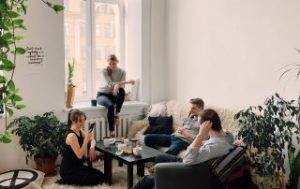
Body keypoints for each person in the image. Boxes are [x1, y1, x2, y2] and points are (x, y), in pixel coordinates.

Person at [133, 109, 234, 189]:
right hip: (196, 161)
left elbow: (187, 159)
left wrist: (200, 135)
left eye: (200, 126)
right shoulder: (226, 137)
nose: (199, 128)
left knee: (147, 179)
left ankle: (157, 178)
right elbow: (214, 142)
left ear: (207, 126)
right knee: (160, 157)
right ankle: (156, 175)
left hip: (190, 170)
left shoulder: (214, 146)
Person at [58, 109, 104, 186]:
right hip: (68, 171)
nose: (83, 123)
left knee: (101, 175)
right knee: (96, 179)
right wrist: (86, 139)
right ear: (73, 120)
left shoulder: (79, 130)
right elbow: (79, 155)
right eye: (80, 121)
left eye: (83, 120)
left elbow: (92, 139)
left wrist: (92, 147)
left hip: (78, 166)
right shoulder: (71, 136)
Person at [97, 54, 135, 137]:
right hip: (102, 95)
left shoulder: (122, 72)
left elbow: (122, 87)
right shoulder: (104, 71)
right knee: (110, 106)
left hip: (113, 94)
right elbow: (110, 84)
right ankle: (112, 131)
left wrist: (118, 86)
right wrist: (126, 82)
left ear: (117, 62)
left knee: (122, 90)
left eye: (113, 63)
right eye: (109, 64)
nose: (111, 66)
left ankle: (117, 115)